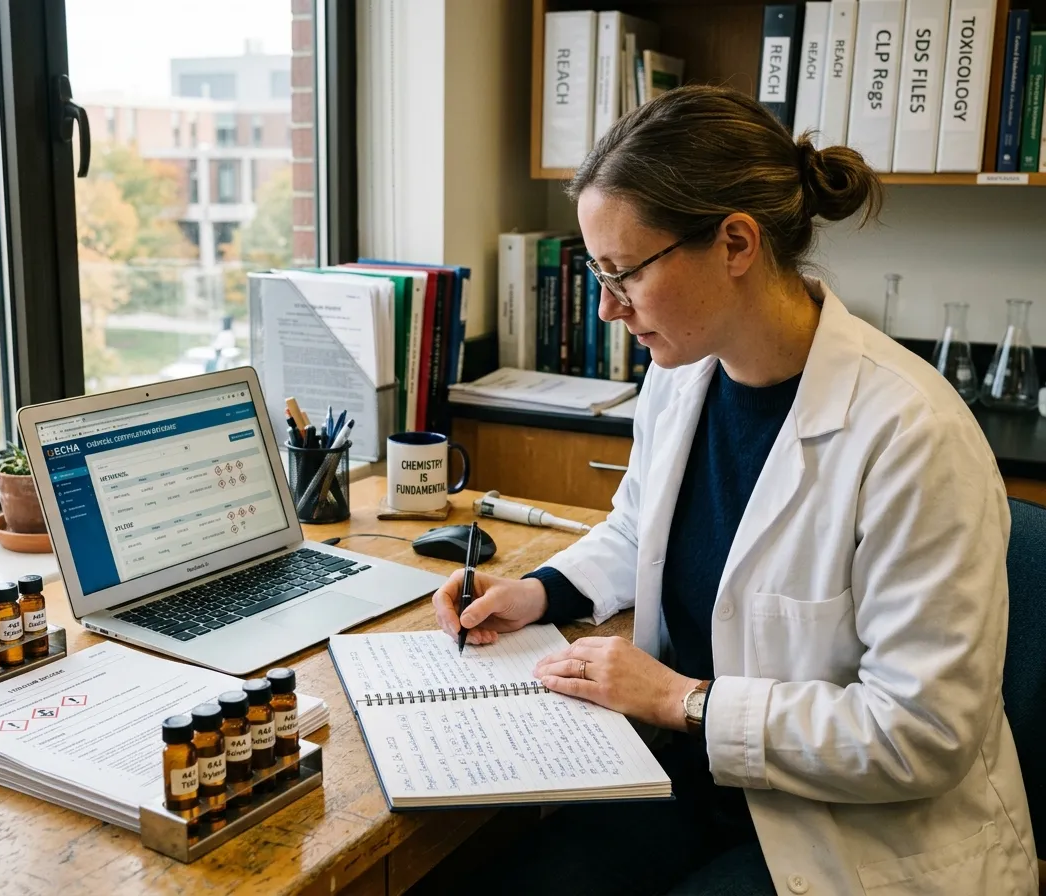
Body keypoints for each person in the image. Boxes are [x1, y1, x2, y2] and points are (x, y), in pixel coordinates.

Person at [432, 85, 1038, 895]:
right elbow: (639, 528)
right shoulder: (682, 373)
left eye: (623, 273)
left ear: (737, 243)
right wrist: (539, 592)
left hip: (856, 831)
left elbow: (920, 734)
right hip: (699, 784)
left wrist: (683, 701)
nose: (607, 308)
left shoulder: (913, 436)